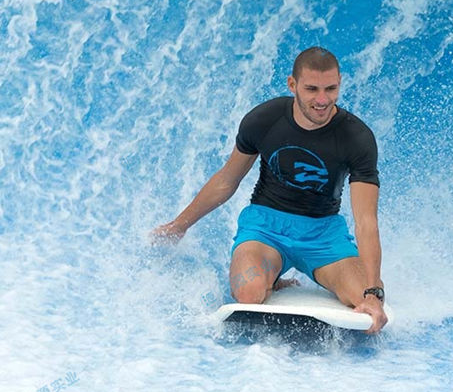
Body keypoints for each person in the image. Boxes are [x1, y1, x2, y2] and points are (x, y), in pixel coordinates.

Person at [151, 47, 387, 333]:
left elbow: (365, 221)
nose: (322, 100)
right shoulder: (265, 119)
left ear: (339, 83)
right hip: (265, 228)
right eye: (312, 89)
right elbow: (227, 180)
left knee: (364, 299)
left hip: (323, 235)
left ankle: (294, 276)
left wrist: (374, 294)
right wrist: (179, 226)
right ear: (292, 85)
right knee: (249, 293)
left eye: (331, 89)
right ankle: (270, 276)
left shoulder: (356, 137)